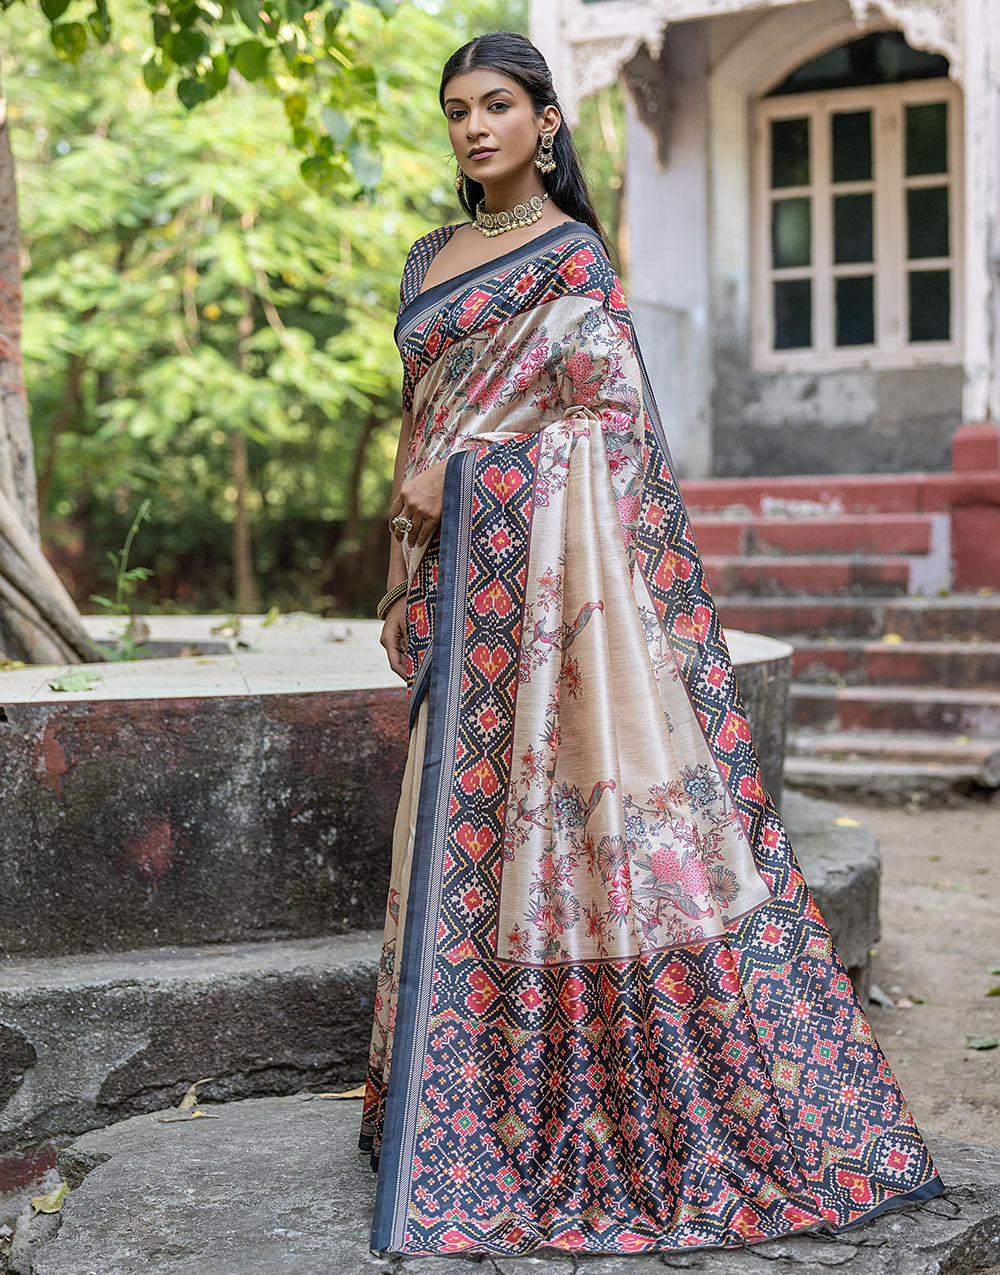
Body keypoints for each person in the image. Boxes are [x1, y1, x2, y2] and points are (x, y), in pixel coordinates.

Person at [359, 28, 945, 1259]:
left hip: (544, 598)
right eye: (457, 108)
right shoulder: (429, 256)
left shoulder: (572, 259)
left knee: (563, 837)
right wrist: (413, 531)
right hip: (461, 587)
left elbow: (606, 436)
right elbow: (422, 414)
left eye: (499, 106)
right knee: (444, 827)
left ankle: (570, 1105)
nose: (474, 128)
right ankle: (445, 1097)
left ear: (546, 123)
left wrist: (459, 479)